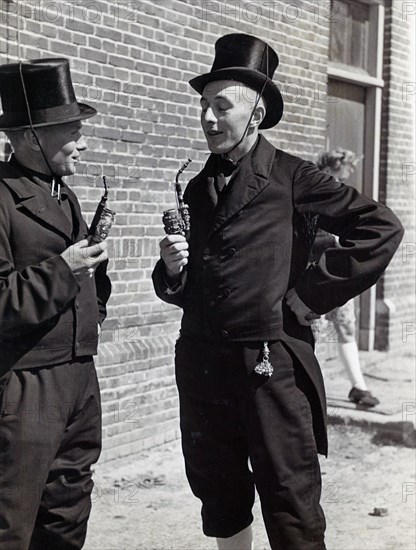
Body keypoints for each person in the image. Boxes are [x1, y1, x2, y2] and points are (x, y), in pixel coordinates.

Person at [152, 34, 403, 550]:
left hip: (270, 366)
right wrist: (174, 273)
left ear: (257, 113)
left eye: (222, 106)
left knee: (289, 496)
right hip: (203, 363)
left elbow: (380, 228)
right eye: (204, 105)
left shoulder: (293, 177)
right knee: (219, 492)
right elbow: (199, 284)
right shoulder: (198, 189)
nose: (207, 118)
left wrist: (311, 296)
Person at [0, 58, 111, 550]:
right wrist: (65, 270)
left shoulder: (64, 196)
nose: (82, 143)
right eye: (71, 131)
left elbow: (91, 282)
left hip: (78, 377)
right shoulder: (2, 199)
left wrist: (93, 313)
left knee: (68, 515)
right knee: (12, 520)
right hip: (24, 386)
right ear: (29, 137)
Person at [311, 149, 380, 407]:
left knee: (345, 325)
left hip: (336, 271)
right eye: (340, 175)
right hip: (310, 271)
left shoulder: (340, 196)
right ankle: (307, 388)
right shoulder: (310, 191)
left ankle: (358, 387)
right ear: (330, 170)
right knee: (311, 329)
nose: (342, 181)